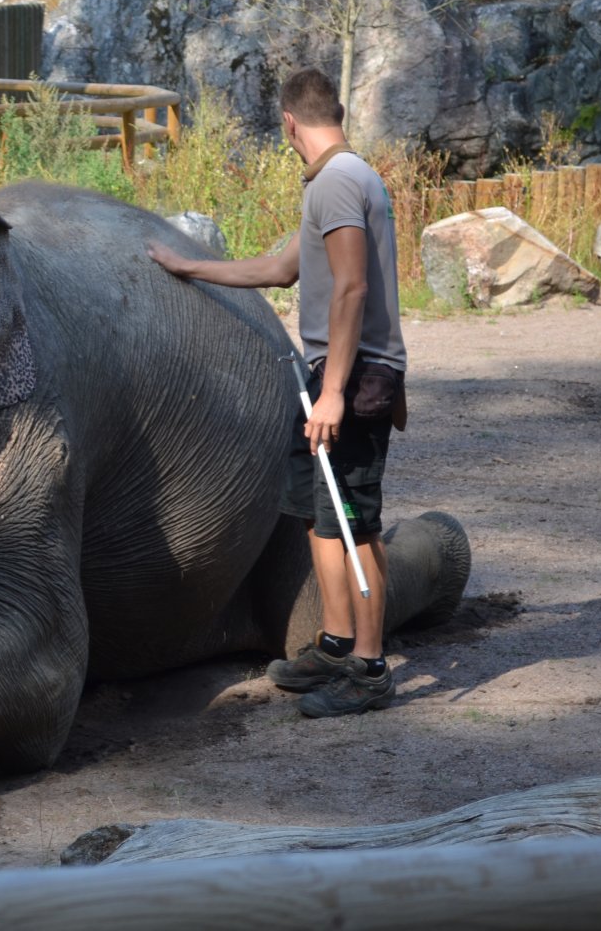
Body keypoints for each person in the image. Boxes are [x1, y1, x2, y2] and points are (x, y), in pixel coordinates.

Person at [145, 67, 407, 718]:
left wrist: (334, 392)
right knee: (319, 516)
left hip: (353, 378)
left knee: (352, 523)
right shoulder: (336, 180)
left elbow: (351, 287)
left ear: (289, 122)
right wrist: (189, 265)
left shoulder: (339, 181)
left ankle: (370, 669)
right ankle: (337, 644)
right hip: (332, 374)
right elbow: (280, 268)